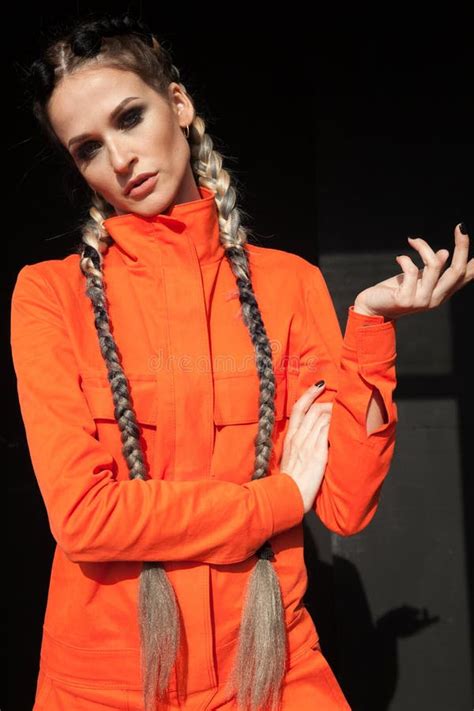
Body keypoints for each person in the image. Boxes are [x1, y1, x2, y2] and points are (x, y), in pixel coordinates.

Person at [10, 12, 472, 711]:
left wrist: (370, 330)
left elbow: (346, 505)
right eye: (88, 148)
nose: (120, 159)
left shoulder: (290, 285)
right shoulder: (48, 296)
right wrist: (275, 500)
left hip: (270, 668)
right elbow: (86, 517)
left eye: (130, 117)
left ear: (179, 103)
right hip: (107, 685)